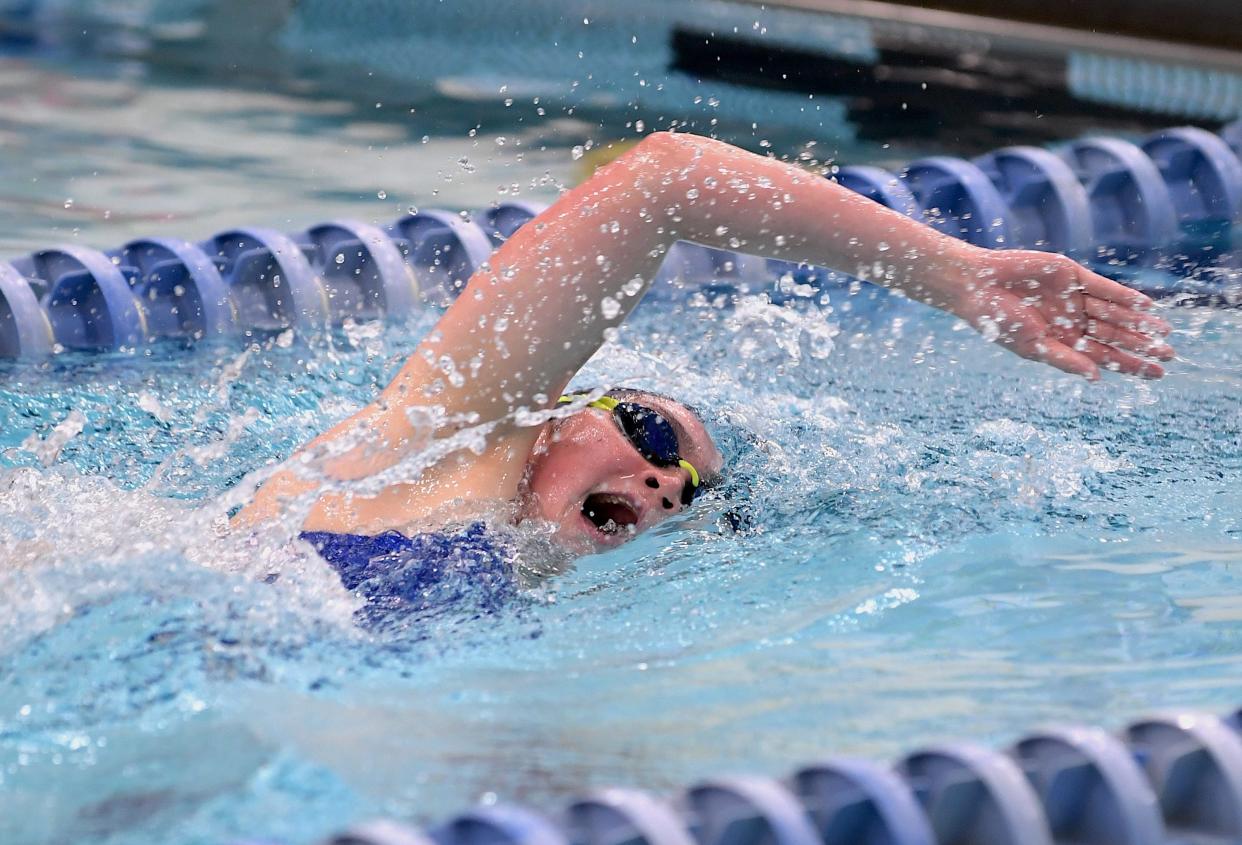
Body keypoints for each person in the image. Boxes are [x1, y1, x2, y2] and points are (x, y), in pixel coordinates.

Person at [235, 131, 1174, 563]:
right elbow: (665, 181)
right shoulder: (449, 435)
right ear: (562, 412)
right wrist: (946, 274)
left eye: (689, 489)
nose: (666, 481)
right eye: (646, 431)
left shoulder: (516, 605)